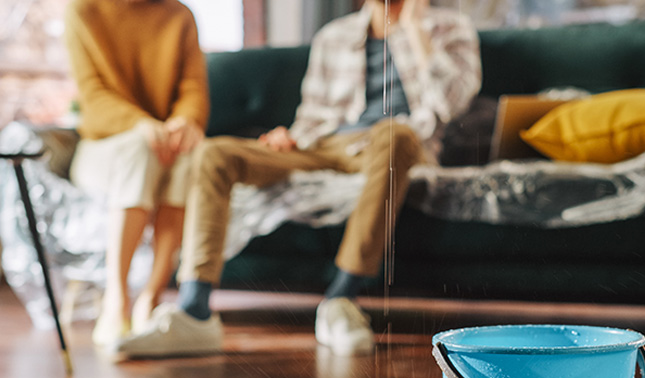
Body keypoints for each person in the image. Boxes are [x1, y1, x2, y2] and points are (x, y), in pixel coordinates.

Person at [116, 0, 481, 358]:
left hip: (395, 144)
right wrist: (291, 137)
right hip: (326, 145)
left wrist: (416, 29)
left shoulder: (449, 29)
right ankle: (194, 311)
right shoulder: (334, 36)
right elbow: (313, 114)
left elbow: (448, 105)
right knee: (215, 154)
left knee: (395, 133)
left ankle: (341, 299)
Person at [64, 0, 209, 349]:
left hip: (164, 147)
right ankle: (117, 300)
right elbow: (93, 96)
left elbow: (193, 89)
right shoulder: (84, 10)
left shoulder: (179, 15)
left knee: (195, 157)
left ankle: (151, 297)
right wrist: (140, 124)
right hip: (103, 148)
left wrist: (184, 122)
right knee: (139, 149)